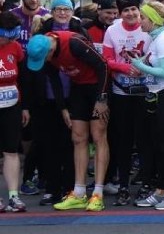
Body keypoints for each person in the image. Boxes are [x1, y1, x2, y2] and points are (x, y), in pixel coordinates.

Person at [27, 30, 110, 212]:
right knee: (78, 137)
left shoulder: (73, 43)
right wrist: (62, 107)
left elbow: (102, 65)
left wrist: (102, 99)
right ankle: (79, 192)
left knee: (98, 136)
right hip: (78, 89)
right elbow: (54, 78)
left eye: (46, 59)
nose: (47, 62)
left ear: (50, 50)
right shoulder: (43, 50)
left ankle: (98, 193)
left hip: (96, 87)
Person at [130, 1, 164, 210]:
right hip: (156, 94)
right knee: (157, 145)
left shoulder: (162, 40)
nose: (138, 21)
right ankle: (161, 189)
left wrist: (141, 66)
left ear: (152, 20)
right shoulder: (154, 39)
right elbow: (151, 68)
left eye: (142, 17)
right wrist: (141, 67)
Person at [103, 0, 152, 207]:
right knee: (122, 141)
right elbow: (107, 59)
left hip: (145, 91)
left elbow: (157, 54)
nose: (131, 14)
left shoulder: (148, 27)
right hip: (121, 92)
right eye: (126, 10)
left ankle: (146, 183)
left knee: (145, 140)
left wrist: (142, 68)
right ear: (120, 13)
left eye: (134, 9)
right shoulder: (112, 30)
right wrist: (125, 68)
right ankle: (123, 184)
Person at [0, 11, 30, 212]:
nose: (8, 40)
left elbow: (24, 78)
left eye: (12, 36)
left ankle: (13, 196)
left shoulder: (15, 47)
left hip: (11, 103)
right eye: (5, 36)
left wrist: (25, 106)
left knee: (11, 151)